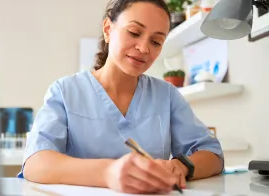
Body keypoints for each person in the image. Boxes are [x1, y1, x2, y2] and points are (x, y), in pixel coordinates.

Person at [19, 0, 224, 194]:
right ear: (108, 29)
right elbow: (36, 163)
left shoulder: (166, 95)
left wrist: (181, 166)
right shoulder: (65, 91)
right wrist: (108, 173)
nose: (144, 49)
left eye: (156, 41)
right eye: (134, 33)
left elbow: (212, 154)